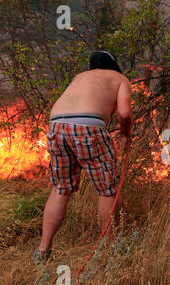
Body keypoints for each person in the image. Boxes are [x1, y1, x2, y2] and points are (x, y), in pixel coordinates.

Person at [33, 51, 133, 265]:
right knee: (107, 190)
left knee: (61, 188)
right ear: (113, 66)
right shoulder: (120, 79)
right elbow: (124, 114)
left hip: (56, 126)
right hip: (88, 126)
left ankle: (43, 250)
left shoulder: (79, 77)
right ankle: (111, 253)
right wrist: (127, 131)